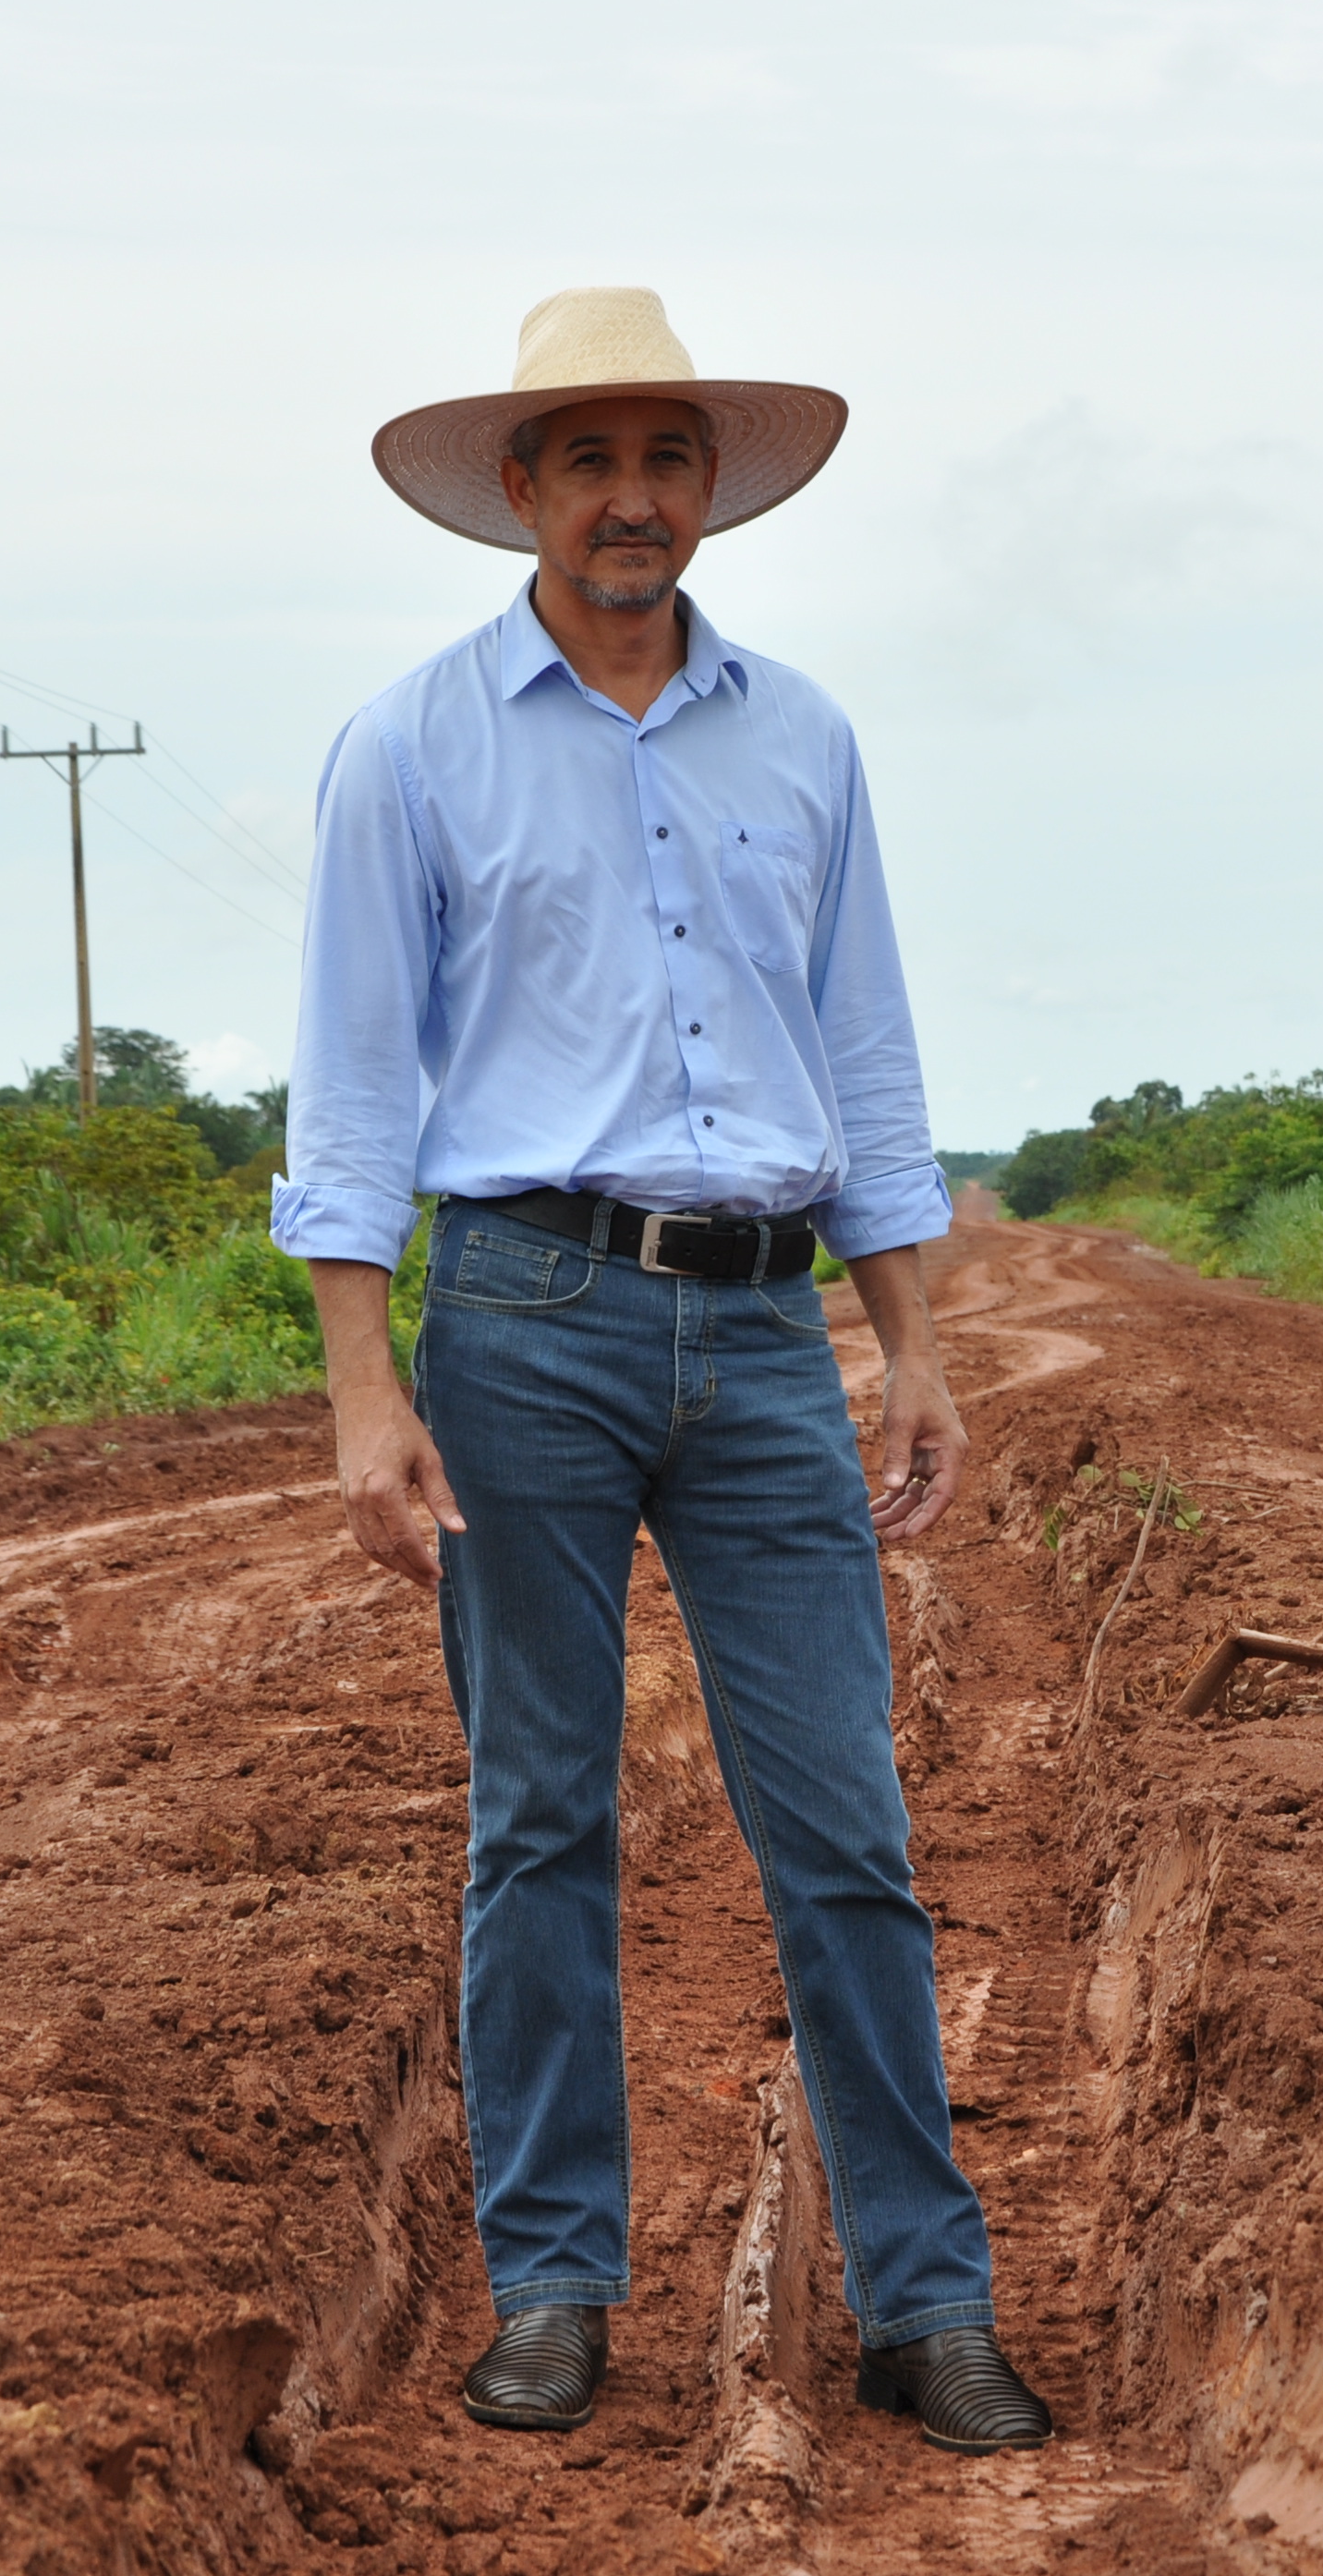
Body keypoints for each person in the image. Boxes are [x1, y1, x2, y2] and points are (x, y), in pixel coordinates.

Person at [273, 287, 1050, 2450]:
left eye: (668, 458)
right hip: (519, 1314)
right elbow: (349, 1080)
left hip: (770, 1325)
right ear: (516, 490)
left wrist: (911, 1342)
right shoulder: (414, 740)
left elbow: (867, 1051)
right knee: (542, 1822)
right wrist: (364, 1383)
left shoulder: (799, 735)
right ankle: (550, 2283)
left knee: (846, 1823)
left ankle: (925, 2295)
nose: (633, 497)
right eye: (589, 457)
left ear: (712, 490)